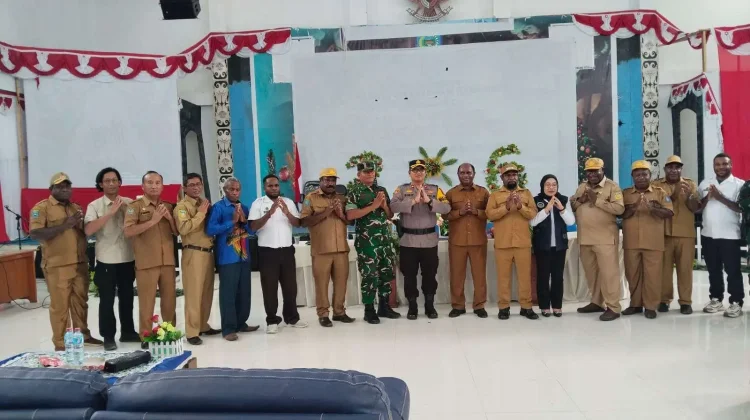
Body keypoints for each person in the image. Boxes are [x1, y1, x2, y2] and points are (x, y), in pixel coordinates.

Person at [30, 172, 103, 351]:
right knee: (60, 306)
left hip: (79, 263)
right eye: (60, 186)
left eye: (67, 186)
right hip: (57, 265)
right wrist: (65, 225)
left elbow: (83, 232)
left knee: (80, 302)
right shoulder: (42, 208)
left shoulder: (75, 208)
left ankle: (83, 335)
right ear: (51, 189)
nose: (65, 189)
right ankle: (61, 342)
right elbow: (35, 233)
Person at [84, 167, 138, 351]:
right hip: (106, 259)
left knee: (127, 297)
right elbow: (88, 230)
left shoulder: (129, 202)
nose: (112, 184)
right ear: (101, 184)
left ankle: (128, 331)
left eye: (115, 180)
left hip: (127, 257)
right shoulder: (95, 205)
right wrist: (110, 213)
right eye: (107, 181)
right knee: (107, 300)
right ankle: (108, 336)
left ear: (120, 182)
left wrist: (126, 209)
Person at [124, 171, 179, 349]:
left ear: (162, 186)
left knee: (169, 302)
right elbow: (128, 231)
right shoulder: (135, 206)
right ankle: (146, 336)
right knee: (147, 303)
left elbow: (177, 232)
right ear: (142, 186)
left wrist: (169, 219)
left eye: (157, 183)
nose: (154, 186)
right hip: (146, 262)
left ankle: (169, 333)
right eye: (150, 182)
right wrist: (153, 221)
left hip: (167, 262)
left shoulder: (168, 206)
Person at [391, 160, 451, 320]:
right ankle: (412, 306)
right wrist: (413, 201)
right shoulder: (401, 190)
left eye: (421, 170)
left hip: (428, 241)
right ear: (409, 173)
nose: (418, 173)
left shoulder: (435, 189)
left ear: (425, 173)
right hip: (408, 241)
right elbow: (393, 207)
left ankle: (429, 305)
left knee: (430, 275)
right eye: (415, 170)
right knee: (409, 275)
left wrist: (429, 201)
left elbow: (447, 208)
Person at [249, 174, 308, 333]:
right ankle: (272, 320)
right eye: (270, 186)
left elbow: (298, 223)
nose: (274, 188)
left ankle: (292, 317)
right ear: (265, 187)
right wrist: (269, 213)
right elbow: (253, 227)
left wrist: (287, 212)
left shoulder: (288, 202)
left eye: (276, 185)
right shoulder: (258, 203)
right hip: (267, 252)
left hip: (287, 251)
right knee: (270, 288)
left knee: (290, 288)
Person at [346, 161, 401, 324]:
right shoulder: (354, 191)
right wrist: (374, 205)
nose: (370, 174)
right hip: (367, 242)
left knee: (386, 272)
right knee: (369, 275)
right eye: (366, 172)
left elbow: (390, 215)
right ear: (358, 175)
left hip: (384, 239)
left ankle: (384, 306)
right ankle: (369, 310)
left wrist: (383, 206)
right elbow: (351, 215)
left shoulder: (381, 190)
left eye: (372, 171)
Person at [206, 177, 259, 341]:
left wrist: (244, 221)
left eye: (237, 189)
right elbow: (210, 229)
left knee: (244, 293)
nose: (235, 192)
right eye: (232, 189)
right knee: (228, 294)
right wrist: (232, 222)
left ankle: (241, 323)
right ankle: (228, 328)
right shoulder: (218, 207)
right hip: (227, 258)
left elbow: (252, 231)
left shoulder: (244, 207)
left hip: (244, 256)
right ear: (225, 190)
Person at [300, 168, 355, 327]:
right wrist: (328, 211)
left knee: (341, 283)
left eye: (333, 180)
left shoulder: (342, 198)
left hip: (341, 249)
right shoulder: (311, 198)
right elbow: (304, 221)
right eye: (327, 180)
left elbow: (350, 221)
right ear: (320, 181)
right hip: (321, 249)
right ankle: (323, 314)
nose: (330, 183)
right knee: (322, 284)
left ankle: (339, 312)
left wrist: (340, 213)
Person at [571, 158, 624, 321]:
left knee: (609, 274)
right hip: (585, 238)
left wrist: (597, 200)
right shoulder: (582, 186)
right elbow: (573, 204)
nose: (592, 174)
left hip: (605, 239)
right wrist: (580, 200)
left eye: (595, 171)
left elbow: (619, 209)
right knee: (591, 274)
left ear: (602, 170)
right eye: (589, 171)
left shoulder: (612, 187)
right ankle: (596, 302)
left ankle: (613, 307)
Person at [620, 161, 674, 319]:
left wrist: (652, 208)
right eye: (637, 174)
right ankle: (635, 304)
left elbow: (669, 213)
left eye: (644, 174)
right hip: (631, 242)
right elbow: (620, 214)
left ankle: (651, 306)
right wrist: (634, 206)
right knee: (632, 275)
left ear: (650, 175)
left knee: (653, 276)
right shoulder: (625, 193)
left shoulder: (660, 192)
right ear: (632, 176)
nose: (641, 177)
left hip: (653, 242)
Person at [173, 173, 221, 345]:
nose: (196, 187)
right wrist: (200, 214)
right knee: (193, 294)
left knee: (207, 292)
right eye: (192, 185)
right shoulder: (182, 207)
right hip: (193, 253)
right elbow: (184, 229)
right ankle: (192, 331)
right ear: (185, 188)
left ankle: (203, 325)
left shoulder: (204, 203)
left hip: (208, 252)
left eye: (198, 184)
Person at [486, 165, 539, 320]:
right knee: (503, 278)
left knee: (525, 278)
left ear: (518, 177)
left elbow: (533, 214)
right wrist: (506, 207)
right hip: (503, 244)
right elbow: (490, 215)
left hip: (523, 243)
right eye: (508, 175)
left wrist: (521, 206)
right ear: (502, 178)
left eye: (514, 175)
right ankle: (504, 308)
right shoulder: (495, 195)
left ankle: (526, 307)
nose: (512, 177)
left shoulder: (526, 193)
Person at [698, 153, 745, 318]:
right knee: (713, 270)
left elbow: (741, 208)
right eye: (717, 164)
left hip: (730, 235)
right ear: (713, 166)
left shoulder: (739, 184)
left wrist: (720, 197)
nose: (721, 167)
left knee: (733, 271)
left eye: (724, 164)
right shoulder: (705, 183)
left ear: (731, 165)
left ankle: (736, 302)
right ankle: (716, 299)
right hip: (708, 234)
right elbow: (698, 207)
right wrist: (707, 197)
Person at [652, 155, 701, 314]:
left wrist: (688, 197)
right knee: (664, 270)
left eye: (677, 167)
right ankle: (664, 300)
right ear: (665, 169)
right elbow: (657, 207)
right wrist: (674, 194)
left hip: (685, 234)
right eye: (670, 167)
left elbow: (695, 208)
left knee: (685, 269)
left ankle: (685, 302)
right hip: (664, 233)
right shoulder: (656, 185)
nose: (674, 170)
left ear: (681, 169)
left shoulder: (690, 184)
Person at [444, 163, 490, 318]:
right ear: (458, 175)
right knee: (456, 276)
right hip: (457, 242)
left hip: (478, 242)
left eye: (469, 172)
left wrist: (477, 212)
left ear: (474, 174)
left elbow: (491, 213)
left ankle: (479, 306)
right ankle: (458, 306)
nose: (466, 175)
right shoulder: (451, 193)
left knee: (479, 276)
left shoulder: (483, 192)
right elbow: (444, 215)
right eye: (462, 173)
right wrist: (460, 212)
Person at [529, 174, 575, 317]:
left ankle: (557, 306)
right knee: (543, 276)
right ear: (542, 186)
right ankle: (544, 306)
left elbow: (571, 222)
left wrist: (561, 209)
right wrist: (546, 209)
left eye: (554, 184)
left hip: (559, 246)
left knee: (557, 277)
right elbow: (532, 222)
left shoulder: (563, 200)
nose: (551, 187)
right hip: (542, 246)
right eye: (547, 184)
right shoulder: (536, 200)